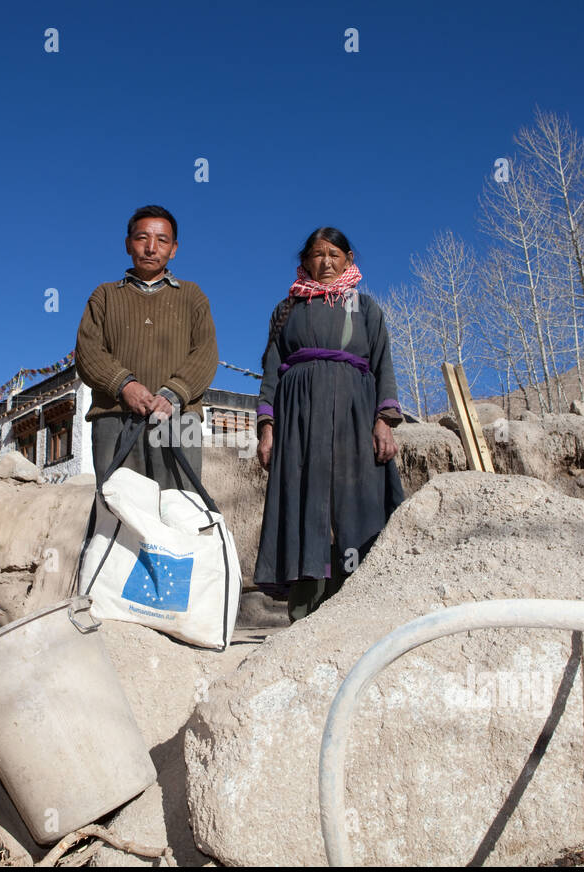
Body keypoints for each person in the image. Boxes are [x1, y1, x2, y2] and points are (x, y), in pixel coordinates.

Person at [253, 227, 406, 622]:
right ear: (304, 262)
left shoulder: (366, 307)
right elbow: (271, 370)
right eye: (317, 255)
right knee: (303, 502)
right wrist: (267, 427)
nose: (326, 263)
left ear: (349, 259)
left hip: (355, 415)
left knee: (358, 503)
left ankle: (359, 609)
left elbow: (382, 364)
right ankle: (306, 613)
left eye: (334, 254)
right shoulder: (287, 309)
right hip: (297, 421)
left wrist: (384, 420)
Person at [75, 205, 219, 490]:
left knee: (180, 509)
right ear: (128, 244)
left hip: (180, 418)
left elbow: (206, 353)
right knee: (119, 512)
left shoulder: (192, 296)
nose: (151, 248)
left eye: (162, 240)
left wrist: (173, 394)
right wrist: (125, 386)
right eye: (142, 238)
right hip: (114, 416)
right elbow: (87, 351)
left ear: (174, 248)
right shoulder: (104, 296)